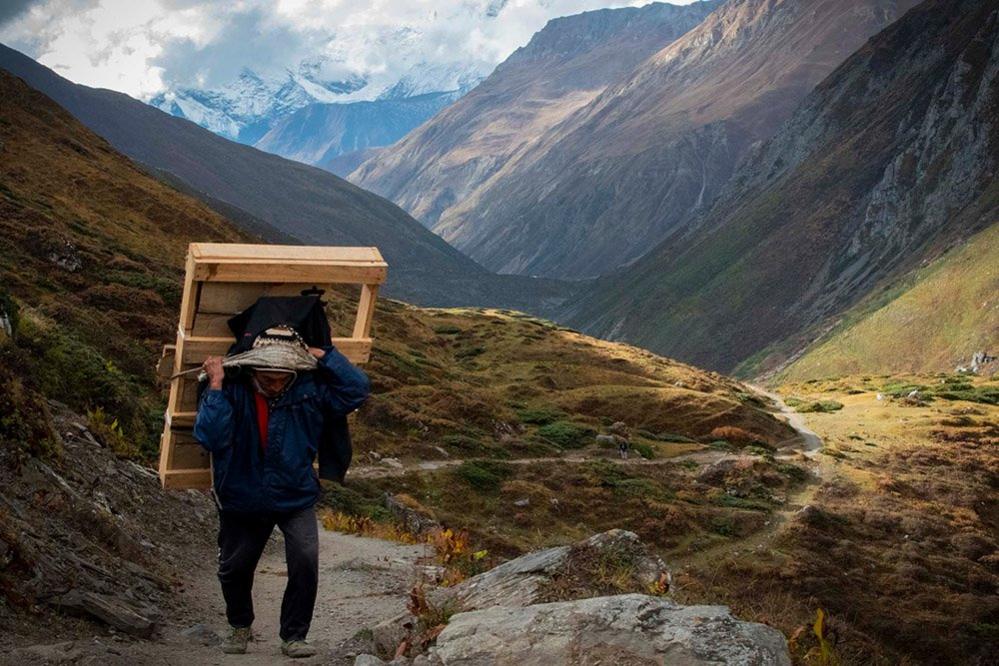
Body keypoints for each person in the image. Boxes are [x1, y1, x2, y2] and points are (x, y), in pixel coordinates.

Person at [194, 333, 370, 658]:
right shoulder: (231, 389)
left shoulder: (309, 390)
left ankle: (294, 636)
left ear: (294, 374)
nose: (274, 385)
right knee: (235, 567)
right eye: (267, 378)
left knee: (305, 559)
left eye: (281, 379)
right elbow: (210, 436)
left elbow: (356, 391)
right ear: (252, 371)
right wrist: (216, 384)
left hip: (295, 493)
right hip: (242, 495)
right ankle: (239, 626)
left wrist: (326, 355)